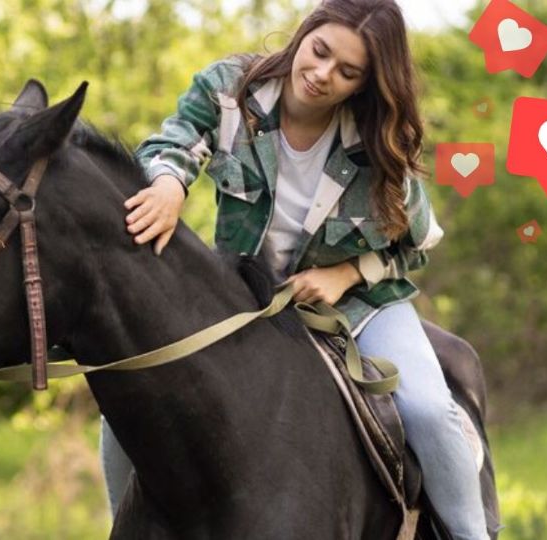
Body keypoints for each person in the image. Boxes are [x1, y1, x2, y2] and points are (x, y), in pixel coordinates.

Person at [104, 1, 490, 538]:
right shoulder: (230, 89)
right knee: (131, 400)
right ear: (304, 34)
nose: (322, 74)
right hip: (243, 301)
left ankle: (470, 534)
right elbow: (174, 142)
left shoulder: (380, 143)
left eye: (347, 72)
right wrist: (168, 183)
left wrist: (345, 276)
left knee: (427, 410)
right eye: (320, 51)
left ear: (365, 84)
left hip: (358, 307)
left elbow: (417, 244)